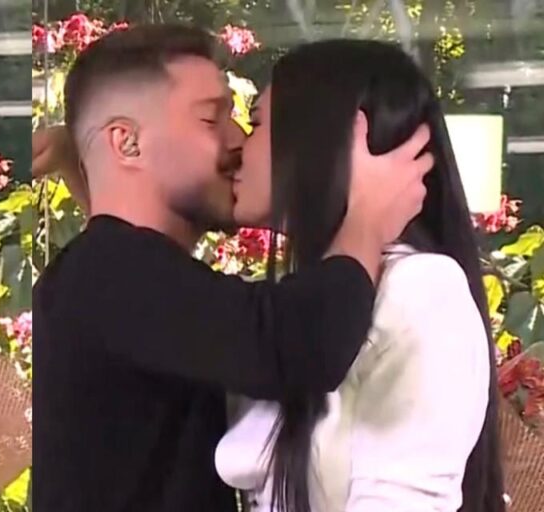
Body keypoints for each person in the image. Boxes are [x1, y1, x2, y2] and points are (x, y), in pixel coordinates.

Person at [32, 25, 433, 510]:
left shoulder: (110, 274)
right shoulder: (108, 271)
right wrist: (367, 215)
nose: (239, 139)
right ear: (128, 144)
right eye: (211, 119)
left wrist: (82, 163)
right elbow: (298, 346)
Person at [215, 39, 504, 512]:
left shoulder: (419, 292)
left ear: (328, 140)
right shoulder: (307, 303)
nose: (236, 147)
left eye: (258, 122)